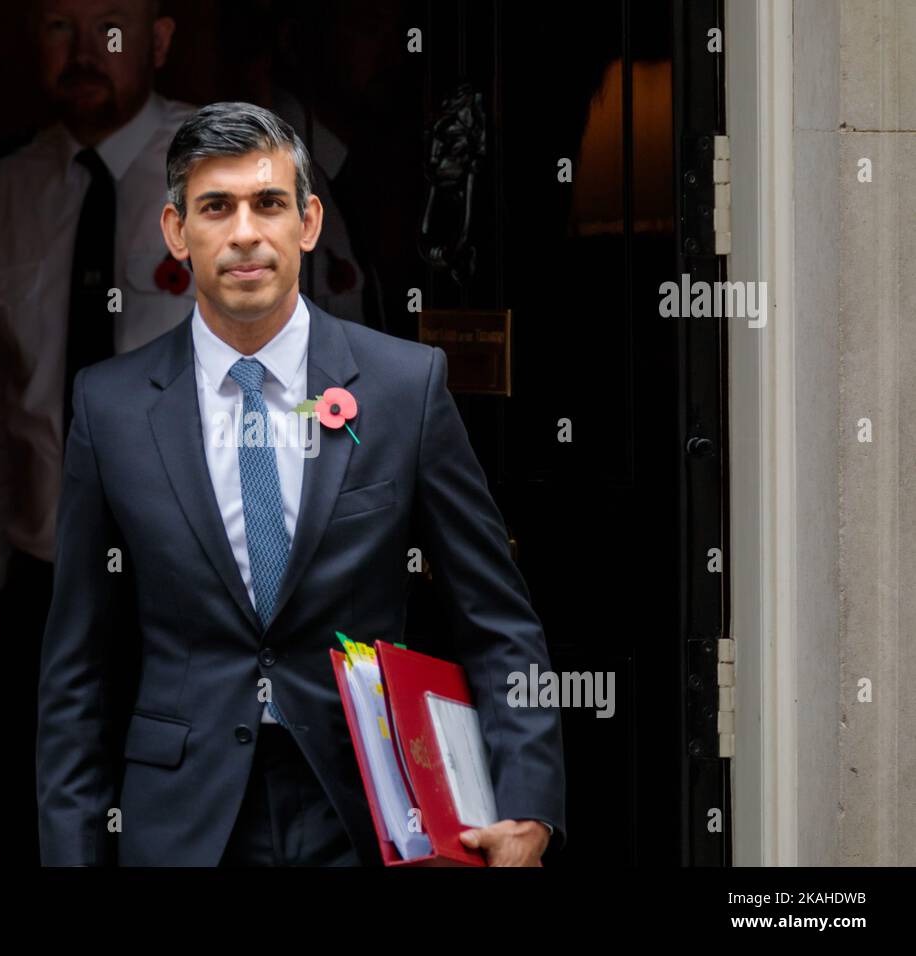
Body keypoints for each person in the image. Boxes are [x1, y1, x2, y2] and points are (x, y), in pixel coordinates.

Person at [36, 101, 565, 866]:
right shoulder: (109, 407)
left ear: (308, 222)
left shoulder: (404, 387)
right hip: (181, 825)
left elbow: (497, 620)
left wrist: (527, 805)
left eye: (269, 203)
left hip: (368, 815)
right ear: (177, 232)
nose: (245, 231)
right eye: (216, 207)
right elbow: (75, 673)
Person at [0, 0, 194, 863]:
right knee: (38, 830)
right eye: (61, 26)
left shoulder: (235, 171)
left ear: (160, 40)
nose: (87, 51)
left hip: (191, 594)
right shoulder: (2, 193)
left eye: (113, 28)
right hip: (44, 588)